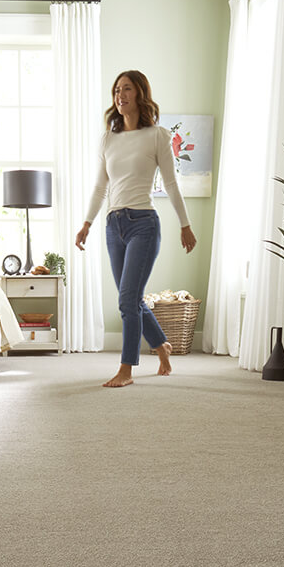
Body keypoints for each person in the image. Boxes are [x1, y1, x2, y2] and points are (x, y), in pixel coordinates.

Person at [75, 69, 197, 387]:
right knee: (131, 299)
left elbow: (170, 183)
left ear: (140, 93)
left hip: (144, 224)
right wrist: (86, 223)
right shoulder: (108, 139)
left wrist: (185, 225)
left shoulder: (157, 135)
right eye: (116, 90)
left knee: (127, 299)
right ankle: (162, 347)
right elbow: (100, 186)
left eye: (126, 89)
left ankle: (126, 369)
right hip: (113, 225)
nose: (120, 95)